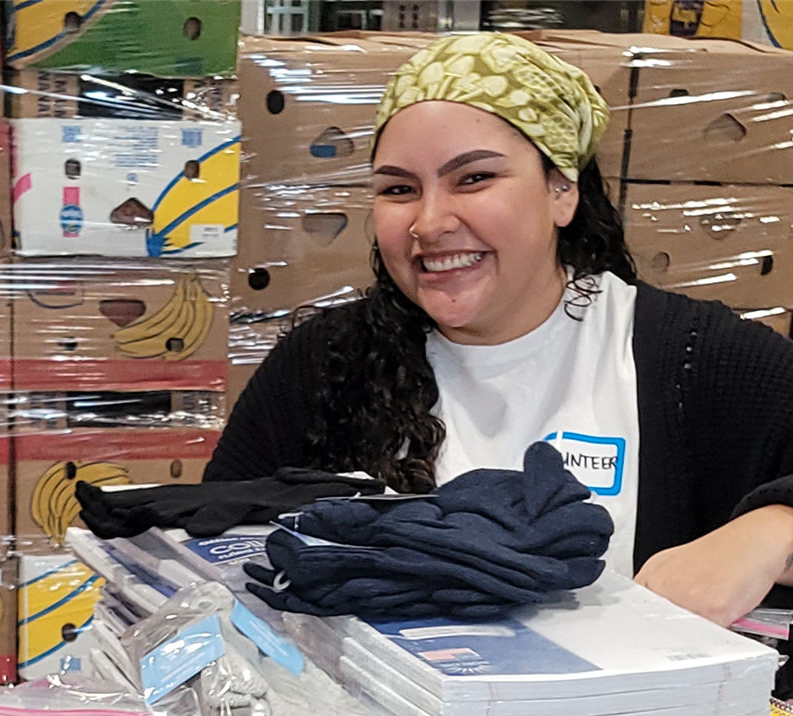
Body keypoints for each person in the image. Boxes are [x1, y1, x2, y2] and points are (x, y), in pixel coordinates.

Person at [208, 33, 793, 630]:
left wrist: (773, 528)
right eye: (398, 189)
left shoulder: (694, 361)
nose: (429, 223)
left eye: (473, 179)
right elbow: (211, 555)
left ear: (561, 191)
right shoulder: (326, 364)